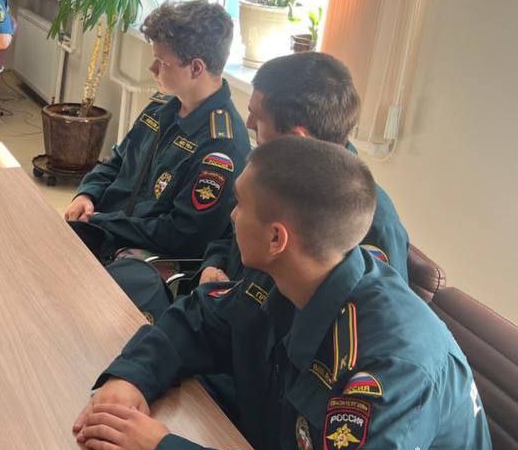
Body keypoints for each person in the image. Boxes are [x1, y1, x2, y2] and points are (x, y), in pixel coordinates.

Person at [72, 137, 496, 450]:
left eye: (240, 204)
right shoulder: (293, 272)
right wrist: (131, 379)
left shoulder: (393, 362)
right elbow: (201, 320)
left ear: (277, 239)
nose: (231, 215)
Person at [108, 51, 410, 320]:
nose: (248, 124)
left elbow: (372, 322)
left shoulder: (370, 222)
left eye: (258, 117)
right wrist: (212, 265)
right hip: (221, 315)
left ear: (296, 139)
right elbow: (228, 234)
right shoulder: (271, 172)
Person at [63, 0, 249, 262]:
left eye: (161, 62)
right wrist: (87, 194)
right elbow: (117, 161)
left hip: (143, 255)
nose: (152, 69)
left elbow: (183, 235)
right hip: (105, 231)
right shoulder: (161, 107)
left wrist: (102, 222)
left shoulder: (221, 145)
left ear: (196, 68)